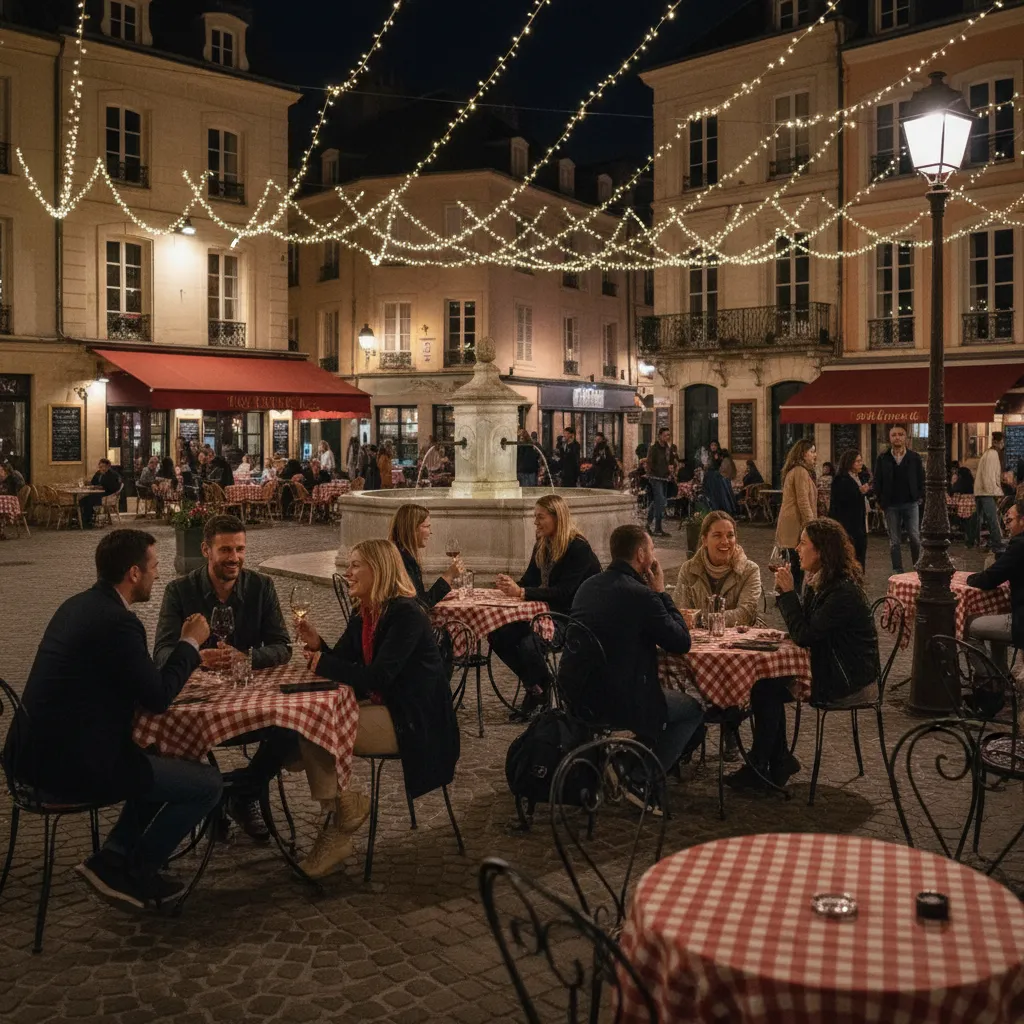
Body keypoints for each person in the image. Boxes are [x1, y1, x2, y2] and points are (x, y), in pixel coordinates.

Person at [1, 529, 220, 907]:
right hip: (66, 770)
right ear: (134, 572)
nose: (158, 574)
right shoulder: (119, 623)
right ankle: (137, 872)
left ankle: (113, 857)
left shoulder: (78, 605)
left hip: (30, 756)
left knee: (158, 758)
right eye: (154, 566)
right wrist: (190, 642)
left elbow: (128, 680)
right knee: (208, 784)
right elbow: (157, 698)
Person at [295, 539, 461, 877]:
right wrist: (318, 645)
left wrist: (322, 662)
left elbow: (378, 677)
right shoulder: (367, 612)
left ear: (379, 570)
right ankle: (345, 807)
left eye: (356, 565)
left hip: (415, 719)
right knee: (306, 723)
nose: (348, 572)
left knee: (317, 728)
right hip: (386, 705)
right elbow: (343, 662)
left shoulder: (406, 614)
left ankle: (343, 820)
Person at [154, 514, 292, 840]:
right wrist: (194, 656)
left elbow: (282, 647)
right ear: (206, 550)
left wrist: (248, 657)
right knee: (169, 738)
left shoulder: (261, 587)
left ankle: (240, 793)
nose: (235, 558)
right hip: (200, 705)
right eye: (226, 550)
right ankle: (209, 796)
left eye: (240, 549)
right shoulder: (179, 591)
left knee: (290, 728)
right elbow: (161, 654)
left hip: (249, 699)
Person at [727, 518, 879, 792]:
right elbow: (807, 628)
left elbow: (804, 634)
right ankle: (776, 761)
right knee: (764, 685)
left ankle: (763, 765)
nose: (797, 549)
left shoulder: (842, 592)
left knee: (766, 689)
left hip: (848, 679)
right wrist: (792, 594)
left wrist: (787, 594)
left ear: (821, 551)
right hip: (829, 665)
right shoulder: (821, 582)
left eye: (803, 543)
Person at [560, 524, 702, 799]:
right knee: (692, 710)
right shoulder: (642, 596)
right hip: (619, 701)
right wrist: (660, 592)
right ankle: (638, 777)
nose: (653, 555)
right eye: (651, 549)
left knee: (658, 697)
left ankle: (625, 758)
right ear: (641, 555)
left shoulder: (588, 586)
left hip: (576, 694)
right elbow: (681, 642)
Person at [491, 495, 601, 718]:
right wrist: (510, 585)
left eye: (540, 517)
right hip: (546, 614)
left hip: (573, 618)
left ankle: (543, 689)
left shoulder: (578, 547)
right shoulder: (543, 544)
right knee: (498, 634)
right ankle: (538, 687)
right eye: (535, 517)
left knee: (529, 644)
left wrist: (522, 592)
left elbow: (564, 592)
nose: (536, 522)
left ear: (557, 517)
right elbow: (529, 580)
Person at [674, 512, 762, 627]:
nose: (725, 541)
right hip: (698, 637)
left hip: (740, 636)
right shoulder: (689, 569)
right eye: (717, 535)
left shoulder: (749, 570)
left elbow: (745, 614)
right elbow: (680, 612)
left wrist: (701, 619)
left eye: (730, 535)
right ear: (705, 540)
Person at [965, 498, 1024, 653]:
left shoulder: (1019, 545)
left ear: (1023, 520)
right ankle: (999, 668)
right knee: (997, 615)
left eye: (1009, 520)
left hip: (1021, 622)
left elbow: (990, 579)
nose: (1006, 527)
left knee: (968, 626)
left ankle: (987, 669)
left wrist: (970, 579)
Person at [388, 503, 464, 608]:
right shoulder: (404, 560)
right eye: (426, 526)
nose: (430, 532)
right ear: (412, 528)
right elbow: (422, 605)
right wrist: (448, 576)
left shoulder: (399, 554)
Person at [873, 424, 924, 573]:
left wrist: (920, 495)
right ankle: (898, 570)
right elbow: (877, 480)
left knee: (915, 537)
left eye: (900, 434)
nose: (897, 437)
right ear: (889, 438)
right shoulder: (883, 458)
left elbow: (921, 478)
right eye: (894, 435)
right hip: (891, 505)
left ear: (905, 437)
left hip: (910, 503)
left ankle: (918, 568)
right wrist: (880, 500)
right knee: (894, 541)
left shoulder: (914, 457)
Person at [775, 439, 818, 592]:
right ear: (803, 453)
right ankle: (791, 597)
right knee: (795, 568)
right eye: (812, 451)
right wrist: (812, 527)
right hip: (795, 529)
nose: (815, 455)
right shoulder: (800, 471)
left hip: (791, 528)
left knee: (791, 567)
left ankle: (787, 595)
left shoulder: (797, 470)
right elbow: (803, 501)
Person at [829, 450, 871, 569]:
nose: (860, 463)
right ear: (849, 463)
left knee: (860, 552)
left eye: (861, 460)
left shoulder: (861, 476)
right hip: (847, 522)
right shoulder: (840, 479)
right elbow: (840, 500)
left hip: (860, 521)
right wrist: (859, 492)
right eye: (857, 461)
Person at [976, 432, 1007, 556]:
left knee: (986, 519)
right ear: (997, 442)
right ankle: (997, 543)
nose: (1003, 444)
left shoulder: (989, 453)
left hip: (983, 491)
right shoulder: (992, 455)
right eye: (1002, 442)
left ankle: (988, 541)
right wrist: (996, 492)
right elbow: (989, 477)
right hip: (987, 492)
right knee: (993, 518)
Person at [80, 458, 121, 528]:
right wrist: (87, 483)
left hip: (106, 496)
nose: (101, 468)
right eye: (100, 466)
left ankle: (87, 522)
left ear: (108, 466)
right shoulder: (98, 473)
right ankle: (84, 520)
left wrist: (101, 487)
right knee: (82, 500)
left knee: (89, 501)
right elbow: (93, 482)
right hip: (98, 494)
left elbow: (114, 487)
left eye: (103, 466)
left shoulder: (113, 475)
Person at [645, 427, 672, 537]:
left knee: (658, 501)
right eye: (665, 435)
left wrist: (669, 472)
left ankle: (648, 524)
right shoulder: (654, 448)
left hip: (664, 478)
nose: (667, 437)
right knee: (660, 501)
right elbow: (649, 463)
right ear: (660, 436)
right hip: (655, 478)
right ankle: (657, 527)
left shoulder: (667, 448)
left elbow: (668, 462)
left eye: (668, 435)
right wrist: (652, 474)